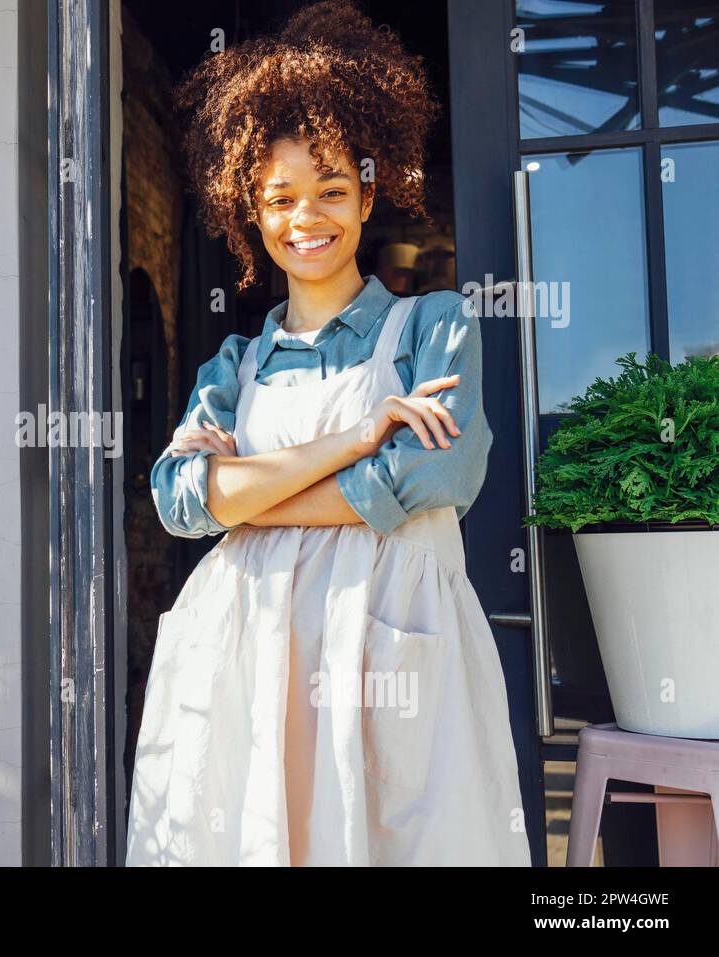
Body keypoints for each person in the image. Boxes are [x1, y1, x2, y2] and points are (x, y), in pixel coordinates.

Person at [126, 0, 531, 866]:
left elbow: (441, 474)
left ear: (369, 192)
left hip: (389, 640)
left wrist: (251, 499)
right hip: (251, 656)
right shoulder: (234, 363)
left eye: (332, 190)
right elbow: (179, 501)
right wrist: (354, 441)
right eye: (281, 198)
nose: (307, 218)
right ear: (253, 209)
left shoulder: (435, 324)